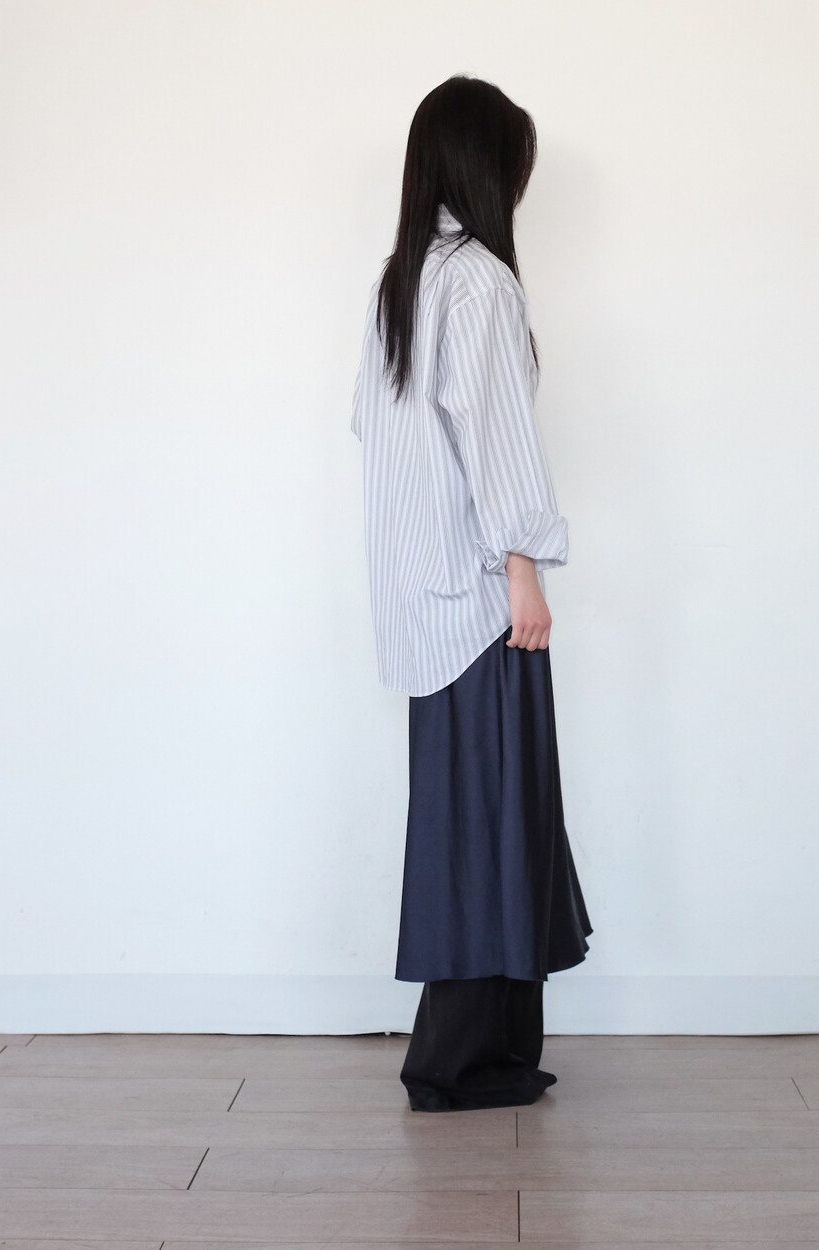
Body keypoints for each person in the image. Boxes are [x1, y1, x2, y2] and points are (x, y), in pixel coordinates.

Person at [350, 73, 593, 1112]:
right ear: (485, 166)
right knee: (495, 818)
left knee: (475, 820)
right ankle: (455, 1061)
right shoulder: (480, 281)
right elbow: (496, 439)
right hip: (481, 597)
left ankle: (488, 1052)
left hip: (423, 597)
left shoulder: (402, 280)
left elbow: (378, 434)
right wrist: (523, 565)